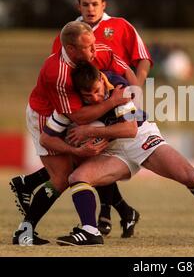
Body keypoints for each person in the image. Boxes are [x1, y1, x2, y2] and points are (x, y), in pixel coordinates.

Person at [40, 61, 194, 246]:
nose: (96, 98)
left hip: (141, 138)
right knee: (77, 178)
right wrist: (75, 149)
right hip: (113, 151)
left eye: (97, 91)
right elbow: (46, 138)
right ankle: (89, 231)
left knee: (189, 176)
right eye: (89, 95)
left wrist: (90, 130)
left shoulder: (116, 85)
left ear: (101, 79)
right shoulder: (71, 103)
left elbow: (129, 129)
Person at [11, 21, 138, 245]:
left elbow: (126, 70)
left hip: (76, 112)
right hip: (47, 113)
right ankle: (25, 231)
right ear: (70, 49)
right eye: (87, 48)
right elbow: (77, 118)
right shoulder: (57, 73)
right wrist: (114, 103)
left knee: (83, 165)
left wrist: (134, 95)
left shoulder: (96, 50)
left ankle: (30, 188)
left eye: (93, 45)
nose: (94, 51)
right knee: (61, 177)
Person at [51, 0, 152, 236]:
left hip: (118, 101)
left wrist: (134, 92)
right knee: (89, 154)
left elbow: (143, 59)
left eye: (95, 3)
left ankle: (106, 213)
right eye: (85, 4)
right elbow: (61, 72)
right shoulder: (68, 33)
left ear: (103, 5)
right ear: (78, 6)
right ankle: (117, 212)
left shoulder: (120, 26)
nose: (90, 8)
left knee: (99, 151)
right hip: (87, 106)